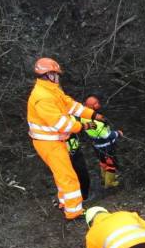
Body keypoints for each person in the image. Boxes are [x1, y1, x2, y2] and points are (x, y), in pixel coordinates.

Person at [26, 57, 103, 220]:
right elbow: (61, 123)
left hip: (53, 141)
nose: (58, 77)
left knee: (61, 174)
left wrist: (93, 114)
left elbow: (70, 105)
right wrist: (83, 126)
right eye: (56, 74)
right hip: (48, 143)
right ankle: (74, 212)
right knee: (68, 176)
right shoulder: (43, 97)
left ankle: (64, 203)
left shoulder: (52, 90)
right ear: (49, 75)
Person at [83, 96, 123, 189]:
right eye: (96, 103)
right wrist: (117, 133)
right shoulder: (96, 123)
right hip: (105, 145)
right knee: (110, 163)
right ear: (93, 106)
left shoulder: (84, 116)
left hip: (97, 145)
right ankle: (110, 182)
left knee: (102, 161)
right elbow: (106, 135)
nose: (98, 104)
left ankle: (104, 178)